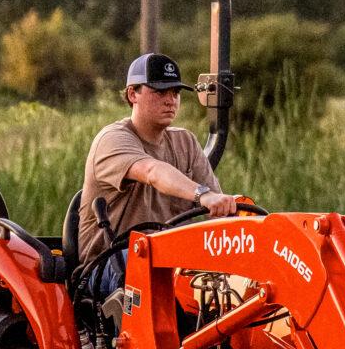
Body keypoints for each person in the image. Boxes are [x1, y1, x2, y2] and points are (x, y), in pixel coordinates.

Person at [78, 52, 238, 297]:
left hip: (168, 260)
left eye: (175, 93)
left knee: (234, 280)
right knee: (149, 266)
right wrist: (202, 195)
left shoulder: (185, 141)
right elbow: (153, 171)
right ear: (133, 94)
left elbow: (218, 210)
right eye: (160, 92)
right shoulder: (113, 140)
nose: (170, 100)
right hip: (108, 266)